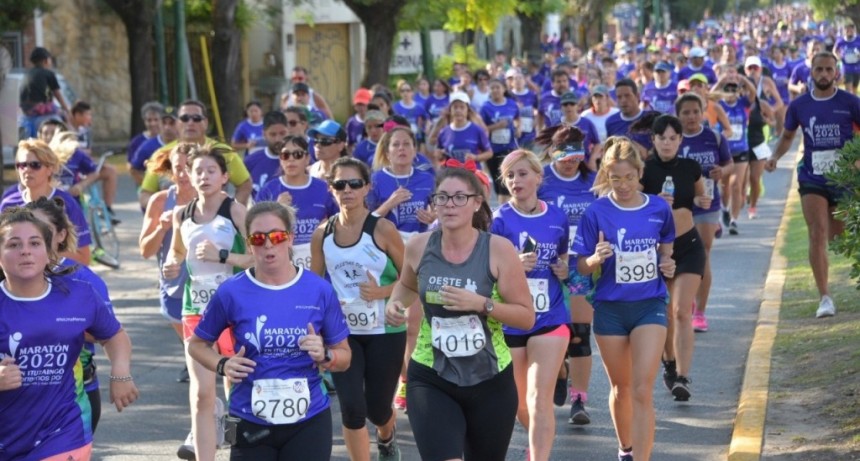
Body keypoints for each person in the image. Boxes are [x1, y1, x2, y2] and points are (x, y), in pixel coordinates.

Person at [384, 165, 534, 461]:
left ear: (477, 202)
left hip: (490, 378)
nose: (449, 205)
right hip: (431, 374)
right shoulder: (418, 246)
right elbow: (406, 286)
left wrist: (482, 304)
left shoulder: (498, 250)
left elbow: (526, 317)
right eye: (442, 198)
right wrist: (395, 305)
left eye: (458, 198)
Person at [188, 201, 351, 461]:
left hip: (308, 418)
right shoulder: (231, 291)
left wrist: (326, 356)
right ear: (248, 242)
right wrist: (222, 364)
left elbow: (344, 357)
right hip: (246, 417)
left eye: (276, 236)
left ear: (290, 239)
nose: (268, 245)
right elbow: (196, 344)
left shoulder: (318, 289)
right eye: (258, 238)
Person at [0, 207, 138, 460]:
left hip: (64, 431)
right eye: (13, 244)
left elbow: (114, 335)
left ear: (48, 251)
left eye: (34, 243)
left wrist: (120, 373)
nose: (25, 251)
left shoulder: (79, 294)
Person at [573, 136, 675, 461]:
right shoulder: (597, 212)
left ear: (639, 173)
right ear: (606, 176)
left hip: (650, 305)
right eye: (615, 178)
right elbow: (580, 266)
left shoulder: (658, 207)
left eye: (629, 177)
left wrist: (667, 262)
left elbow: (667, 248)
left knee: (643, 388)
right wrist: (594, 259)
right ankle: (626, 449)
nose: (623, 184)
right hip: (610, 309)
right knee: (622, 389)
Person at [308, 157, 405, 460]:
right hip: (342, 333)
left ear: (367, 188)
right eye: (340, 184)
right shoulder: (322, 233)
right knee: (351, 408)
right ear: (331, 189)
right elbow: (315, 285)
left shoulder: (383, 229)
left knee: (377, 409)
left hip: (385, 331)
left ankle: (387, 437)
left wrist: (382, 291)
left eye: (354, 184)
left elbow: (412, 280)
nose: (347, 190)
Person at [162, 144, 254, 461]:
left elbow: (259, 257)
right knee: (202, 393)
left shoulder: (236, 211)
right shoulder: (181, 214)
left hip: (234, 310)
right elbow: (177, 251)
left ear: (224, 176)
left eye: (211, 171)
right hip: (196, 310)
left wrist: (223, 255)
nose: (203, 176)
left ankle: (240, 449)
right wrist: (172, 264)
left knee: (235, 386)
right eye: (197, 170)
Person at [765, 51, 860, 318]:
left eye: (829, 70)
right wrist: (774, 157)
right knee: (817, 233)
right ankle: (825, 297)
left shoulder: (850, 102)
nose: (824, 75)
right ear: (811, 72)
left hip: (844, 179)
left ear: (837, 73)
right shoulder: (800, 106)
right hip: (812, 177)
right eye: (819, 70)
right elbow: (787, 136)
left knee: (838, 237)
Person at [491, 149, 569, 461]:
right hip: (511, 321)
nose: (515, 180)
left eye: (522, 173)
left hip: (549, 317)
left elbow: (562, 258)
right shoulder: (499, 221)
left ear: (538, 177)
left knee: (539, 400)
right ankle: (539, 439)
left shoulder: (557, 217)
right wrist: (512, 267)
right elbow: (486, 272)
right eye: (509, 175)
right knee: (519, 404)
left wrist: (563, 268)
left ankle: (539, 456)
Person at [25, 196, 117, 432]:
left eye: (44, 231)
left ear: (61, 235)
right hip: (18, 399)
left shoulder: (83, 280)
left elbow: (109, 332)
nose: (34, 239)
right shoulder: (8, 277)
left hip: (76, 395)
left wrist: (121, 374)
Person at [641, 115, 711, 401]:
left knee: (683, 310)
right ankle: (668, 363)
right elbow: (632, 205)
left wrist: (701, 202)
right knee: (666, 312)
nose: (667, 143)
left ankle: (682, 375)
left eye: (673, 137)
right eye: (662, 137)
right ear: (653, 140)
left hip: (689, 244)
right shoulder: (643, 170)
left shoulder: (691, 167)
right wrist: (654, 201)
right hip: (657, 248)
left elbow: (700, 199)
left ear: (681, 140)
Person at [367, 127, 437, 410]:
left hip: (419, 249)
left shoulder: (427, 178)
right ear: (387, 149)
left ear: (414, 148)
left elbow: (439, 213)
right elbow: (367, 219)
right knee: (391, 321)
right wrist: (390, 203)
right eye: (396, 145)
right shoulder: (377, 179)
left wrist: (432, 217)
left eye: (407, 144)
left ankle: (409, 382)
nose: (402, 149)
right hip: (387, 251)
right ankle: (398, 378)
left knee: (413, 323)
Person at [535, 125, 598, 426]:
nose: (570, 159)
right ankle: (560, 370)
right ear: (552, 152)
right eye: (564, 152)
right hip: (547, 266)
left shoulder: (593, 181)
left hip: (581, 265)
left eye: (576, 151)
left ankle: (580, 399)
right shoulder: (542, 180)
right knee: (553, 330)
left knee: (580, 335)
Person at [676, 93, 732, 335]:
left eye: (695, 111)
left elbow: (728, 164)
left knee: (702, 254)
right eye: (686, 112)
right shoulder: (673, 139)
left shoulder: (714, 137)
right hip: (682, 205)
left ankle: (700, 311)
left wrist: (723, 171)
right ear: (678, 115)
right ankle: (685, 302)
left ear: (703, 112)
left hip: (708, 203)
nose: (691, 117)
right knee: (681, 255)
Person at [139, 144, 195, 382]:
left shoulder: (214, 201)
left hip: (208, 283)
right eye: (177, 168)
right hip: (173, 283)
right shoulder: (160, 201)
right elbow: (145, 250)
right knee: (192, 343)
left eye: (188, 168)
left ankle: (199, 369)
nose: (182, 174)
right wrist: (162, 228)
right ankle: (194, 360)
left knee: (203, 346)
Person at [139, 100, 253, 209]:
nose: (190, 123)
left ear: (206, 122)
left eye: (196, 118)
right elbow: (145, 194)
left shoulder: (224, 152)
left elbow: (245, 184)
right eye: (184, 118)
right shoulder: (162, 154)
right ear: (178, 123)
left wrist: (232, 212)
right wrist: (163, 211)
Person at [0, 139, 92, 266]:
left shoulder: (67, 204)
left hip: (57, 279)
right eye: (21, 165)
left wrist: (41, 254)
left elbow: (84, 257)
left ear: (50, 169)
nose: (26, 170)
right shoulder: (8, 204)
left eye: (35, 165)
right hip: (19, 280)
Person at [257, 135, 338, 270]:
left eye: (298, 154)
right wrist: (277, 208)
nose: (291, 159)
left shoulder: (323, 188)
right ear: (280, 159)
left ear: (307, 159)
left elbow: (341, 220)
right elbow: (257, 229)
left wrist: (328, 225)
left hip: (320, 259)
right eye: (285, 155)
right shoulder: (269, 190)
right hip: (281, 262)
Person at [480, 78, 520, 202]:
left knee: (506, 181)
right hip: (492, 150)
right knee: (498, 183)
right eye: (492, 88)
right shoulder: (485, 107)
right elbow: (481, 130)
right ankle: (503, 210)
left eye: (498, 87)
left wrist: (518, 127)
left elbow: (518, 117)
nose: (495, 90)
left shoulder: (511, 104)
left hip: (509, 148)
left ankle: (506, 211)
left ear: (504, 89)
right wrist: (496, 126)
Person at [18, 47, 71, 138]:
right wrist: (66, 109)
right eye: (50, 59)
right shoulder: (48, 73)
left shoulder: (27, 74)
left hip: (26, 110)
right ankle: (70, 138)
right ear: (45, 61)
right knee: (64, 115)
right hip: (40, 108)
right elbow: (57, 94)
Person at [434, 92, 492, 169]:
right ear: (450, 110)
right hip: (451, 176)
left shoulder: (477, 130)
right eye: (455, 107)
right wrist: (439, 154)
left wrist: (476, 157)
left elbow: (489, 153)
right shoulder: (444, 132)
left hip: (472, 175)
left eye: (462, 107)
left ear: (467, 110)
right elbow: (439, 153)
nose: (458, 110)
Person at [242, 111, 290, 199]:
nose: (278, 139)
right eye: (273, 134)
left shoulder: (301, 159)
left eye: (282, 133)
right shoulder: (250, 162)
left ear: (288, 131)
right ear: (264, 134)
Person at [130, 106, 180, 188]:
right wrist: (149, 187)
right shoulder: (147, 146)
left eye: (172, 123)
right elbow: (134, 169)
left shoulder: (185, 144)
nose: (167, 127)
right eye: (164, 123)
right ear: (159, 124)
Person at [127, 101, 165, 169]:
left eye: (156, 120)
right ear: (144, 121)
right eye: (149, 120)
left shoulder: (168, 139)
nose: (153, 124)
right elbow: (131, 166)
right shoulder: (136, 142)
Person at [508, 69, 539, 148]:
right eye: (515, 79)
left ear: (525, 81)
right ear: (511, 83)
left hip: (529, 133)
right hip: (513, 134)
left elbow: (538, 110)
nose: (518, 81)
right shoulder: (509, 96)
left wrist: (536, 120)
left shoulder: (532, 95)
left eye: (520, 78)